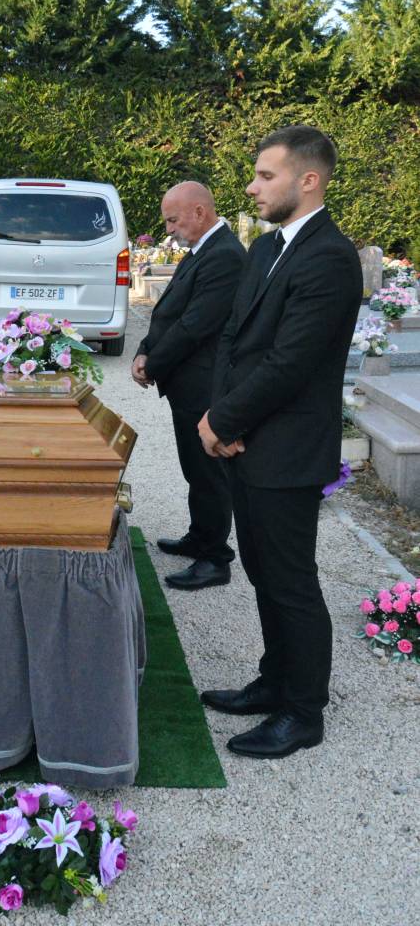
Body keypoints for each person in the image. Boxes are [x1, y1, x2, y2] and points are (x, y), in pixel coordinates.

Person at [198, 125, 362, 759]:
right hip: (245, 438)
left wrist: (225, 422)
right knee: (262, 569)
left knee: (290, 580)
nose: (252, 186)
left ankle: (303, 711)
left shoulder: (331, 257)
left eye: (266, 175)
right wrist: (220, 417)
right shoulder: (268, 247)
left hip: (288, 447)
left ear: (309, 180)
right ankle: (274, 680)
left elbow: (292, 362)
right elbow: (234, 338)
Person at [132, 183, 246, 590]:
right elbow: (168, 310)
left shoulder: (226, 256)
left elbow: (195, 325)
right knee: (195, 469)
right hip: (188, 382)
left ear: (199, 212)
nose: (169, 230)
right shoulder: (204, 250)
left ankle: (214, 558)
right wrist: (144, 349)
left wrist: (152, 363)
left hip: (204, 384)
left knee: (208, 473)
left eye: (173, 220)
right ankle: (200, 537)